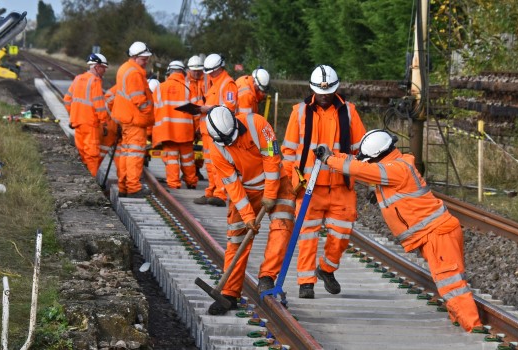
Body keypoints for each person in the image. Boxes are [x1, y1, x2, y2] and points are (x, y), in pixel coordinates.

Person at [314, 129, 484, 333]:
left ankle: (473, 329)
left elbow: (360, 169)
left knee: (451, 284)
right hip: (434, 232)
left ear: (377, 155)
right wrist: (333, 155)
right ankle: (461, 322)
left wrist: (329, 160)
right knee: (449, 281)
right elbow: (358, 162)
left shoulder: (395, 170)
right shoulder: (393, 163)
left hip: (437, 233)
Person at [281, 64, 366, 299]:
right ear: (313, 90)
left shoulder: (349, 111)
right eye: (320, 91)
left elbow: (360, 149)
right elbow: (288, 151)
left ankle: (326, 269)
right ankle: (305, 282)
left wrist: (365, 174)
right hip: (309, 188)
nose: (324, 95)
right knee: (307, 236)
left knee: (341, 234)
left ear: (336, 90)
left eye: (328, 92)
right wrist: (290, 182)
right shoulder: (299, 112)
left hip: (341, 187)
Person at [204, 106, 295, 315]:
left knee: (282, 226)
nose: (233, 143)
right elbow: (231, 184)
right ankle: (229, 293)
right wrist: (247, 216)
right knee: (236, 239)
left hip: (277, 183)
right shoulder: (217, 149)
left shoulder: (258, 125)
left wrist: (270, 194)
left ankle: (267, 277)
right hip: (245, 190)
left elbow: (272, 159)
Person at [193, 53, 238, 207]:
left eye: (212, 71)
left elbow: (229, 107)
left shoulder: (227, 84)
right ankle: (211, 191)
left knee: (218, 163)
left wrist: (207, 108)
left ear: (220, 68)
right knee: (210, 164)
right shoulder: (214, 83)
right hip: (208, 131)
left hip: (217, 132)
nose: (210, 74)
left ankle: (220, 194)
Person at [112, 41, 154, 198]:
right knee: (135, 154)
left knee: (126, 153)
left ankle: (124, 186)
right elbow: (138, 98)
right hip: (135, 119)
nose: (146, 61)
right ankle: (134, 187)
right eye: (144, 59)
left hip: (126, 118)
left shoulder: (125, 68)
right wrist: (148, 111)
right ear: (135, 57)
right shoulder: (135, 73)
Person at [151, 60, 198, 190]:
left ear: (169, 72)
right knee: (188, 159)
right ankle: (191, 182)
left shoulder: (159, 88)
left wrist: (151, 132)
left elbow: (152, 110)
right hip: (185, 131)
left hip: (167, 131)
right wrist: (198, 128)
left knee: (171, 158)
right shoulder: (189, 88)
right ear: (183, 72)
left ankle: (174, 183)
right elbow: (197, 110)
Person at [63, 53, 109, 177]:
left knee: (82, 153)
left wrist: (73, 115)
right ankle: (92, 182)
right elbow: (99, 105)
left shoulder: (78, 78)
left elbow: (67, 100)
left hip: (77, 123)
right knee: (92, 156)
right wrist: (104, 123)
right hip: (90, 125)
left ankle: (85, 179)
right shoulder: (95, 81)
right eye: (103, 67)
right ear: (96, 66)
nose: (104, 70)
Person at [186, 55, 207, 181]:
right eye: (194, 70)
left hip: (202, 118)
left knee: (202, 147)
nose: (196, 72)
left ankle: (197, 169)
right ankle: (189, 172)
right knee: (189, 148)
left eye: (199, 70)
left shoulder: (206, 81)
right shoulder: (185, 82)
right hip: (189, 118)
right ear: (189, 69)